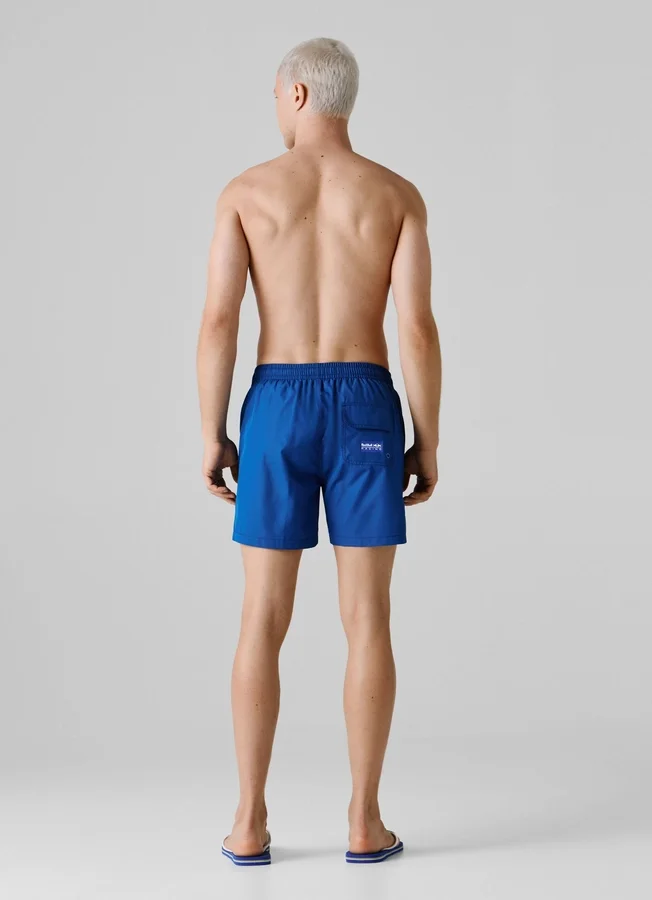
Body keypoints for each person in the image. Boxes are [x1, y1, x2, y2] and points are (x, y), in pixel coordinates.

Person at [196, 37, 441, 866]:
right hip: (366, 402)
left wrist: (212, 430)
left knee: (261, 619)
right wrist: (427, 436)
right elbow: (415, 328)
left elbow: (220, 321)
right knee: (368, 618)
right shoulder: (395, 195)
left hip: (277, 403)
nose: (274, 108)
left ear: (298, 94)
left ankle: (248, 823)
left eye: (276, 95)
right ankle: (365, 823)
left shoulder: (246, 192)